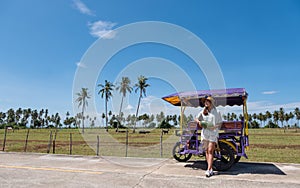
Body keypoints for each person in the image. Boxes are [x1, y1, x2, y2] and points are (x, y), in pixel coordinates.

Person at [194, 96, 222, 177]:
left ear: (211, 102)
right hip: (205, 133)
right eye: (205, 102)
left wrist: (215, 127)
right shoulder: (203, 111)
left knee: (210, 150)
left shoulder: (217, 111)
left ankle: (209, 169)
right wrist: (199, 122)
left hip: (213, 133)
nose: (206, 103)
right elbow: (196, 118)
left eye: (207, 101)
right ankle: (210, 169)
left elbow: (220, 122)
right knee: (206, 151)